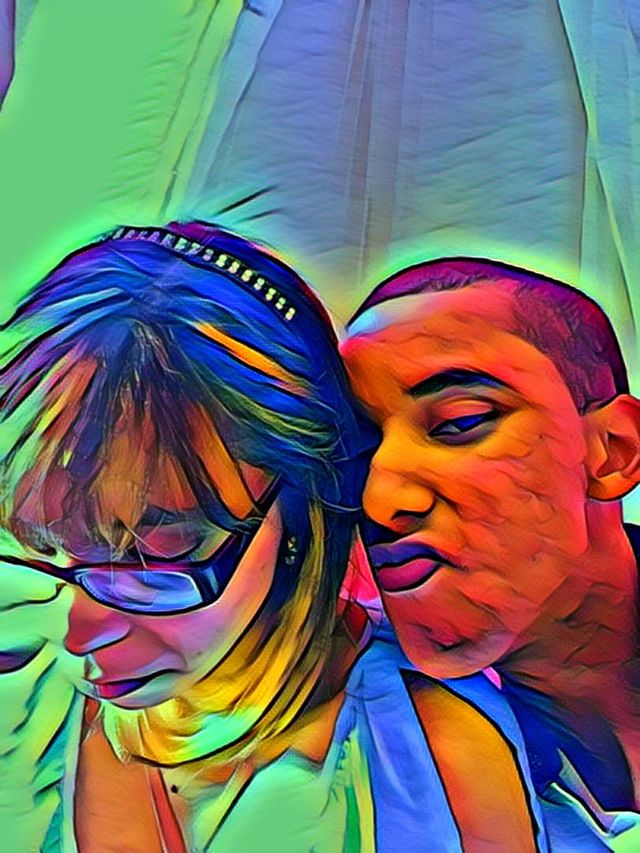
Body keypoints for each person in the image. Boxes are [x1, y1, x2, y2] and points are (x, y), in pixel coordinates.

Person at [0, 231, 543, 851]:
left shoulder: (430, 765)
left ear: (301, 510)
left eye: (152, 561)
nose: (77, 634)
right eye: (39, 547)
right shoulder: (21, 702)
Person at [342, 257, 640, 850]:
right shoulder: (363, 747)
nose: (380, 501)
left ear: (614, 451)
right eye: (356, 449)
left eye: (461, 422)